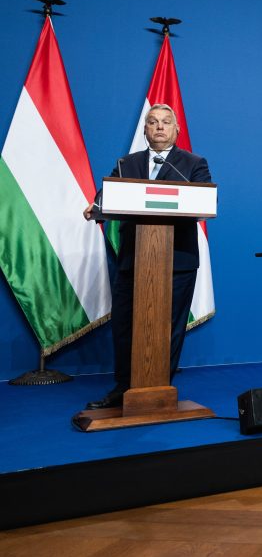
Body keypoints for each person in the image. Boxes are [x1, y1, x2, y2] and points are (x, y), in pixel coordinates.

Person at [83, 104, 212, 410]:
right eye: (153, 122)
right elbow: (106, 196)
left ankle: (160, 387)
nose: (159, 127)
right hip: (134, 259)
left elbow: (204, 198)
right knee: (125, 326)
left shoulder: (193, 164)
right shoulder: (126, 163)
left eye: (166, 122)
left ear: (176, 130)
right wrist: (96, 206)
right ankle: (123, 388)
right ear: (145, 130)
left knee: (169, 327)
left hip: (177, 260)